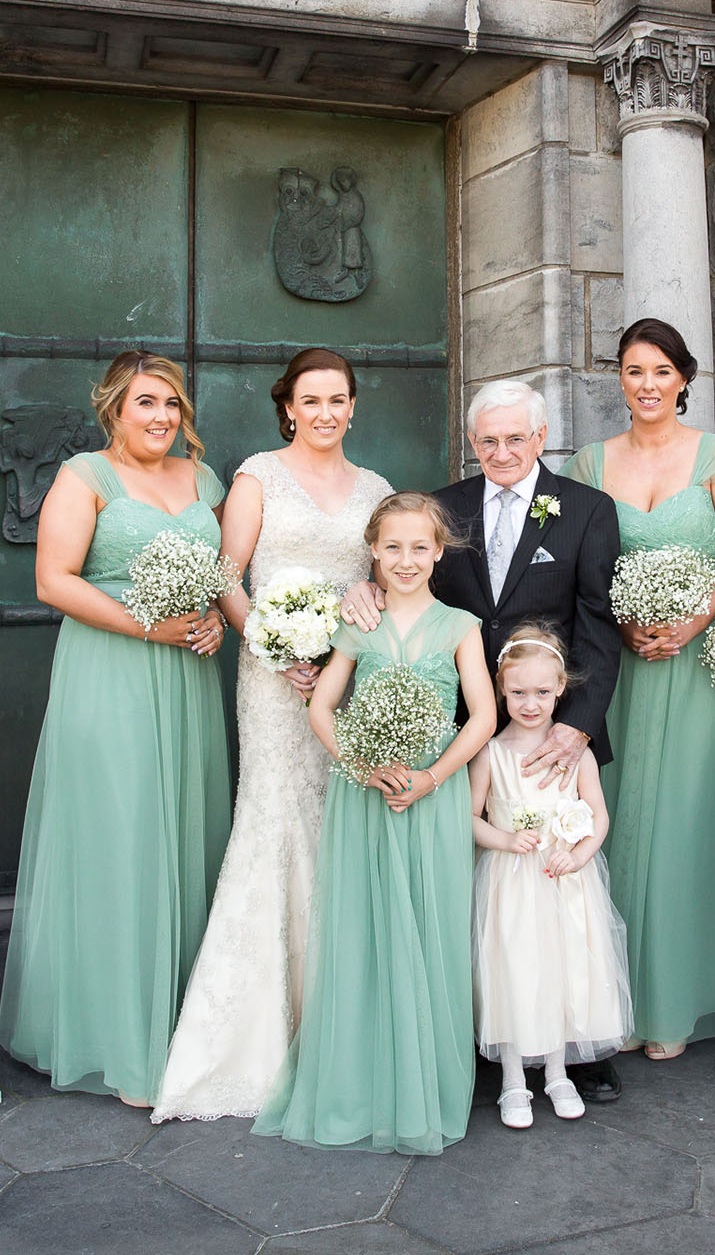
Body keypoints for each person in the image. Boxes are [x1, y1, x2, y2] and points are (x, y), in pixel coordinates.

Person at [342, 378, 624, 1101]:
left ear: (541, 436)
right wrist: (364, 588)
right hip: (456, 721)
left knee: (555, 892)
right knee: (471, 891)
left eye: (516, 438)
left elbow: (596, 621)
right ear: (473, 442)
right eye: (488, 439)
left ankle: (570, 1045)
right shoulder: (444, 506)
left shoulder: (586, 510)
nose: (502, 451)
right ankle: (476, 1038)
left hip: (544, 721)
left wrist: (579, 722)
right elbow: (406, 570)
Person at [152, 348, 390, 1123]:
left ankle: (338, 1027)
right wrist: (278, 647)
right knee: (276, 824)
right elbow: (228, 576)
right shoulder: (258, 475)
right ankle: (255, 1043)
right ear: (288, 406)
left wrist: (359, 612)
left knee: (338, 832)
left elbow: (391, 576)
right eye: (310, 400)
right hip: (275, 684)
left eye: (338, 400)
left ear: (354, 407)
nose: (325, 413)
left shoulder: (378, 490)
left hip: (350, 681)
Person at [0, 351, 230, 1107]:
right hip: (110, 674)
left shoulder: (203, 479)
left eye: (171, 404)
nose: (161, 416)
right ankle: (117, 1039)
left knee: (181, 834)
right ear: (114, 411)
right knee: (120, 839)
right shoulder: (83, 476)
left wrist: (214, 630)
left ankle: (176, 1024)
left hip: (187, 679)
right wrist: (145, 625)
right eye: (146, 404)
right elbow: (52, 580)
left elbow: (222, 579)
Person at [254, 492, 496, 1154]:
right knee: (366, 930)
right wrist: (359, 765)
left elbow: (482, 716)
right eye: (392, 547)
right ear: (373, 552)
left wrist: (434, 777)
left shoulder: (460, 625)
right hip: (366, 796)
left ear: (439, 552)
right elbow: (323, 708)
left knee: (429, 931)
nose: (406, 559)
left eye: (420, 547)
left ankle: (427, 1088)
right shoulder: (356, 626)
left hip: (432, 795)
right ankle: (362, 1082)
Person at [561, 318, 715, 1059]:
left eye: (660, 371)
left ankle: (679, 1002)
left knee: (686, 824)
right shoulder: (589, 462)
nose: (646, 385)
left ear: (684, 379)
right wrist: (623, 625)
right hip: (622, 668)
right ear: (620, 378)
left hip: (699, 664)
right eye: (633, 370)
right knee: (622, 816)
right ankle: (616, 1000)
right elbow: (578, 563)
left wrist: (692, 618)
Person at [469, 626, 633, 1130]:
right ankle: (515, 1081)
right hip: (513, 883)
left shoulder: (575, 751)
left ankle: (559, 1073)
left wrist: (581, 854)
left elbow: (599, 815)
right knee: (515, 971)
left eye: (542, 692)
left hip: (564, 881)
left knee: (563, 972)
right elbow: (468, 818)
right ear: (501, 689)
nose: (531, 703)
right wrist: (503, 840)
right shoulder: (491, 751)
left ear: (562, 688)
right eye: (518, 692)